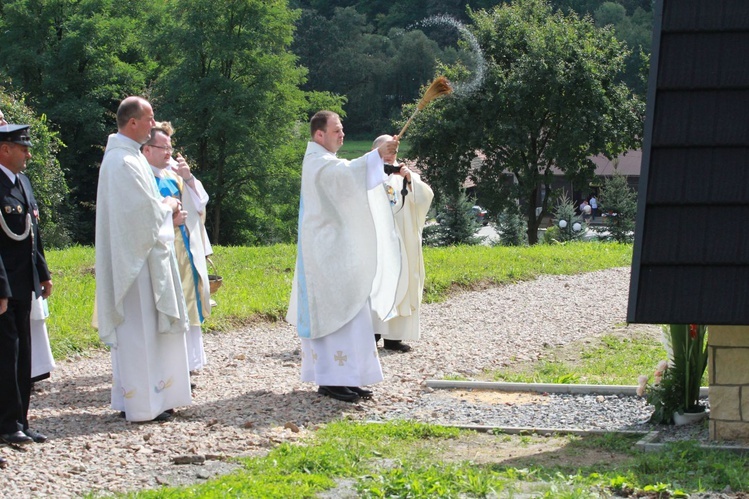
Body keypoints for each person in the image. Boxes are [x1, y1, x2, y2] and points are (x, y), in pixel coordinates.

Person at [286, 111, 402, 403]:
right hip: (324, 256)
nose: (342, 135)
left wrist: (377, 159)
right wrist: (375, 156)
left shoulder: (327, 162)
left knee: (352, 312)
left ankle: (351, 376)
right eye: (336, 130)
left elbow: (348, 177)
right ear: (319, 135)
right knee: (333, 314)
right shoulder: (317, 163)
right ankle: (331, 379)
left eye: (342, 130)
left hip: (338, 253)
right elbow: (344, 175)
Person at [93, 96, 192, 423]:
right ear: (132, 122)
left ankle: (155, 396)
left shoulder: (129, 156)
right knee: (140, 331)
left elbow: (144, 207)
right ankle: (141, 403)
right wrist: (170, 206)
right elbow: (141, 213)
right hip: (133, 264)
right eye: (149, 119)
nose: (154, 124)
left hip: (145, 256)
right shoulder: (121, 161)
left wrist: (163, 206)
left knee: (150, 330)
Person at [142, 125, 211, 375]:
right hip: (163, 249)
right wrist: (169, 221)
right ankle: (173, 362)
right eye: (164, 147)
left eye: (171, 147)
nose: (169, 152)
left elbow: (200, 203)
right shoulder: (143, 177)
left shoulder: (172, 176)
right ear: (147, 149)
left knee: (189, 300)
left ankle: (191, 360)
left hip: (185, 249)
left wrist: (189, 177)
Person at [0, 123, 52, 446]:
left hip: (24, 283)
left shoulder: (23, 183)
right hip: (5, 286)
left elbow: (33, 229)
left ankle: (21, 419)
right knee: (7, 356)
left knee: (24, 356)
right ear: (5, 149)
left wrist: (42, 272)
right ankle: (6, 423)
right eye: (23, 148)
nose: (28, 154)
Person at [370, 134, 433, 353]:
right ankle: (372, 333)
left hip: (403, 242)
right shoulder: (368, 173)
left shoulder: (404, 173)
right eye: (387, 150)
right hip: (377, 242)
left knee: (401, 285)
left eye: (394, 150)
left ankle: (394, 337)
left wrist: (410, 181)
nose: (391, 155)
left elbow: (425, 197)